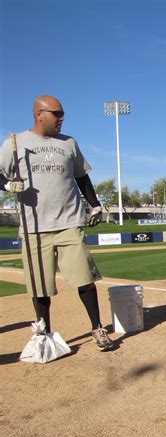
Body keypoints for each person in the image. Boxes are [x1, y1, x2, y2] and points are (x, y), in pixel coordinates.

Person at [0, 95, 114, 351]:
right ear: (39, 114)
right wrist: (8, 184)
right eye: (56, 113)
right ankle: (44, 335)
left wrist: (95, 204)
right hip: (34, 226)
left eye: (62, 114)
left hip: (69, 221)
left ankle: (98, 329)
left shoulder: (69, 143)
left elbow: (82, 177)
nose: (61, 118)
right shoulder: (15, 143)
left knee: (85, 279)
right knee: (40, 285)